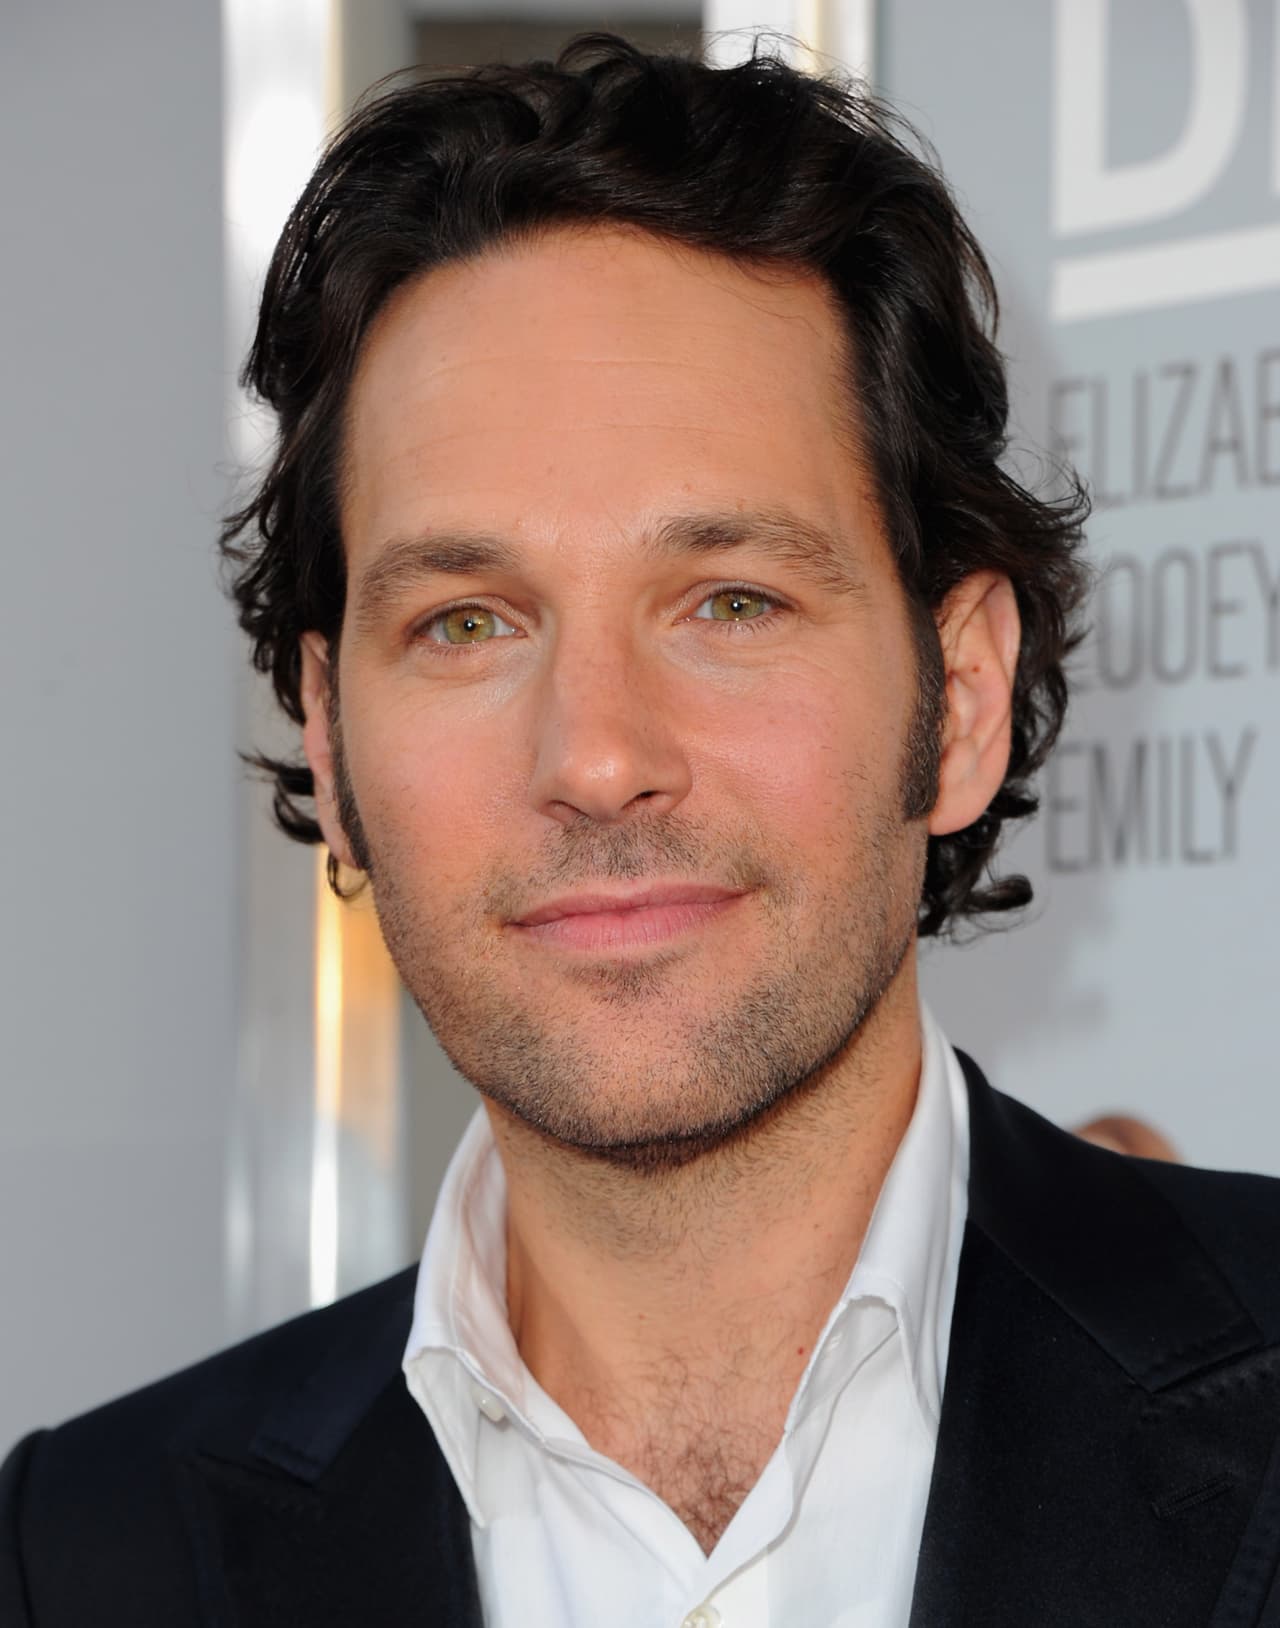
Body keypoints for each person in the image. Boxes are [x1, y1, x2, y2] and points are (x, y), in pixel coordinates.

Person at [4, 34, 1279, 1628]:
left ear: (958, 700)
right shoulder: (83, 1558)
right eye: (467, 623)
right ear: (330, 740)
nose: (597, 759)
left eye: (729, 602)